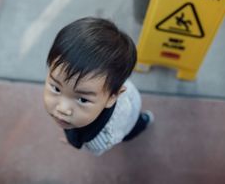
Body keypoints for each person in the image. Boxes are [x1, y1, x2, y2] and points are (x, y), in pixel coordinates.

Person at [43, 17, 154, 156]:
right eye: (56, 88)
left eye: (82, 100)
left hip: (127, 114)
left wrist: (77, 140)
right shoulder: (99, 84)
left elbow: (98, 150)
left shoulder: (102, 138)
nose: (63, 109)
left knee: (132, 128)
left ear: (112, 97)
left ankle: (144, 120)